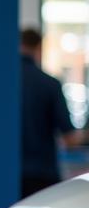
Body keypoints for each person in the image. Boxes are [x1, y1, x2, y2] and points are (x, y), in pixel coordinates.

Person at [19, 27, 79, 197]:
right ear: (39, 48)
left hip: (9, 173)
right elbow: (70, 139)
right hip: (42, 176)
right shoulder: (50, 84)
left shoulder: (4, 85)